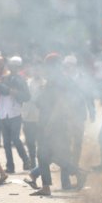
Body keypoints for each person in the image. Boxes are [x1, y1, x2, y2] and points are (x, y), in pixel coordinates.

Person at [31, 54, 87, 195]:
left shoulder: (58, 80)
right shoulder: (56, 79)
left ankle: (74, 175)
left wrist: (50, 123)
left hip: (54, 123)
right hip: (52, 122)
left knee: (45, 154)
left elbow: (60, 104)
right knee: (51, 155)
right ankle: (76, 174)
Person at [0, 56, 31, 173]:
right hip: (4, 112)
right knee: (6, 142)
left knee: (15, 139)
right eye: (11, 66)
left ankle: (26, 160)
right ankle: (10, 166)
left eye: (15, 67)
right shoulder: (4, 78)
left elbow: (27, 96)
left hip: (15, 113)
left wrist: (15, 92)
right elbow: (0, 89)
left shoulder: (22, 80)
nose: (13, 68)